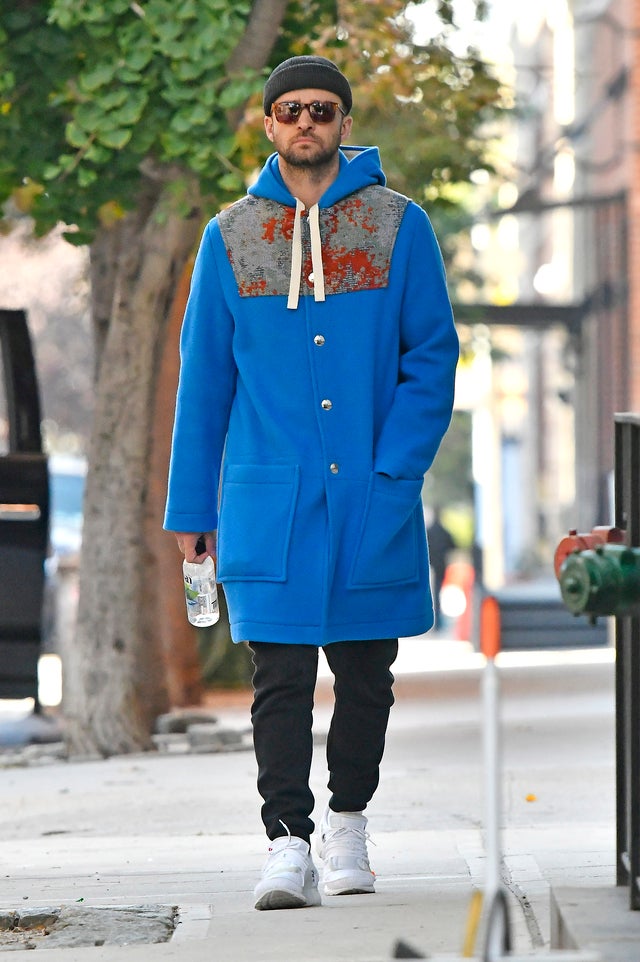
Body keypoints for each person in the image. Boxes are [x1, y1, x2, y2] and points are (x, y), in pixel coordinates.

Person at [164, 55, 459, 911]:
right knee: (280, 679)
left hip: (373, 494)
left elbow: (431, 362)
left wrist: (395, 470)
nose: (305, 122)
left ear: (343, 122)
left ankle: (351, 822)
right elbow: (204, 381)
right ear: (268, 124)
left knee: (368, 675)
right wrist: (193, 510)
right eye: (289, 109)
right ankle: (287, 842)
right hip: (269, 501)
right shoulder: (228, 238)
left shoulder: (402, 228)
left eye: (321, 110)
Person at [427, 507, 457, 630]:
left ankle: (435, 620)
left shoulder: (429, 531)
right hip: (441, 565)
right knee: (438, 592)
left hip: (431, 565)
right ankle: (437, 621)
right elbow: (453, 545)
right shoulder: (444, 531)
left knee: (433, 593)